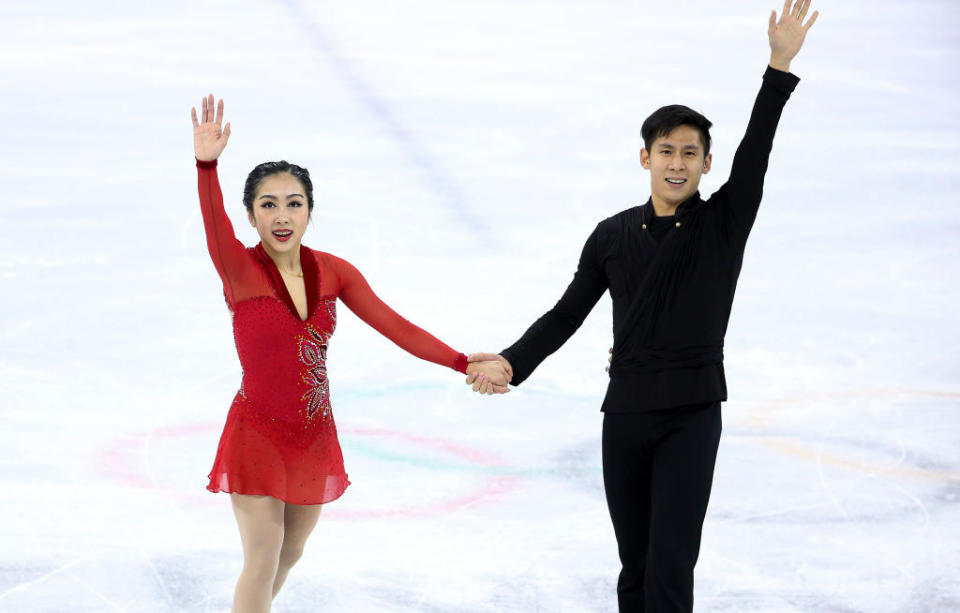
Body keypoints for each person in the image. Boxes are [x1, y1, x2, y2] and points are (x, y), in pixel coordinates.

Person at [465, 2, 820, 611]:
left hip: (690, 413)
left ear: (707, 163)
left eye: (689, 153)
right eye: (665, 151)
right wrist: (512, 362)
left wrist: (778, 66)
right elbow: (566, 313)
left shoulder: (723, 224)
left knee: (669, 565)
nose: (676, 163)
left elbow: (757, 148)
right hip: (624, 414)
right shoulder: (611, 235)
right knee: (634, 566)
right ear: (645, 158)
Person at [190, 94, 507, 613]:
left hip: (314, 433)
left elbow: (393, 325)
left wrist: (460, 360)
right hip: (257, 432)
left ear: (310, 210)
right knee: (263, 557)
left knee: (291, 553)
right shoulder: (240, 272)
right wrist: (207, 166)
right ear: (250, 215)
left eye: (294, 202)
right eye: (268, 205)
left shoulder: (335, 272)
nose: (282, 215)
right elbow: (211, 222)